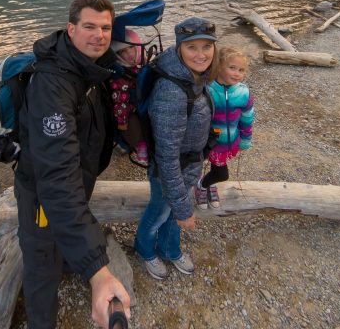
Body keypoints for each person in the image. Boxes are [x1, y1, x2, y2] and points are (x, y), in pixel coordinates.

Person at [14, 0, 131, 329]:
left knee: (59, 245)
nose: (99, 35)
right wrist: (98, 269)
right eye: (89, 26)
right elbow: (58, 181)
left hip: (78, 180)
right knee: (40, 267)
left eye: (106, 27)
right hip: (42, 195)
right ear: (70, 29)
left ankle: (70, 256)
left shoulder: (92, 69)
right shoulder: (53, 86)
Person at [133, 16, 218, 280]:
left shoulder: (195, 77)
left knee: (171, 214)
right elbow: (167, 156)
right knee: (159, 214)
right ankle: (145, 250)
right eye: (192, 47)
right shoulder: (171, 90)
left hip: (188, 168)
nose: (201, 54)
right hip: (168, 174)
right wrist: (184, 210)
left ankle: (170, 249)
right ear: (179, 47)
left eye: (207, 46)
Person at [195, 46, 255, 209]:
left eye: (241, 70)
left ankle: (204, 184)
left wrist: (245, 139)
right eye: (232, 68)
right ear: (219, 67)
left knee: (220, 173)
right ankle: (202, 184)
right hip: (205, 140)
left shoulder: (243, 93)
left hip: (225, 143)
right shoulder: (207, 89)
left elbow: (247, 118)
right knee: (202, 165)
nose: (237, 73)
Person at [109, 28, 149, 165]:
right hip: (129, 109)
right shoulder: (119, 76)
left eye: (131, 47)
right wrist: (122, 122)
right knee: (135, 131)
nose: (129, 54)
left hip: (143, 103)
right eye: (122, 52)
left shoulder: (146, 61)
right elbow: (121, 101)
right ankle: (138, 147)